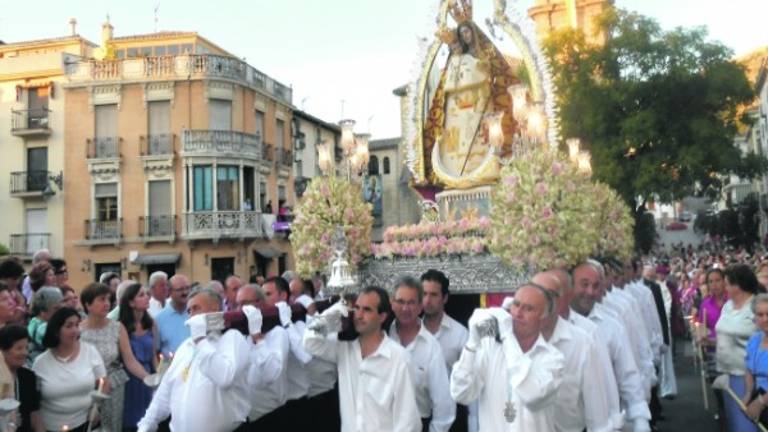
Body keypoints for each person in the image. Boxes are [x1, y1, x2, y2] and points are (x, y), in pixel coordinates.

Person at [303, 286, 422, 432]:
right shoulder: (344, 350)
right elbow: (309, 341)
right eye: (357, 308)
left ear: (382, 316)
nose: (359, 315)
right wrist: (335, 311)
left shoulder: (399, 359)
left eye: (366, 309)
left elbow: (408, 421)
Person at [451, 283, 564, 431]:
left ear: (543, 320)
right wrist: (472, 344)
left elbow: (531, 394)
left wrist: (506, 335)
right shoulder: (490, 347)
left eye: (528, 308)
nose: (518, 313)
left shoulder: (553, 359)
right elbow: (461, 394)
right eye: (516, 304)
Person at [138, 287, 252, 432]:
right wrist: (147, 424)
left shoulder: (232, 338)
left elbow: (224, 377)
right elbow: (165, 391)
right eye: (189, 311)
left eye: (196, 308)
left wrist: (200, 339)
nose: (191, 315)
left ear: (215, 308)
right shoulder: (185, 346)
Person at [531, 271, 619, 432]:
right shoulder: (510, 339)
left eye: (550, 295)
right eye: (534, 294)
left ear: (562, 300)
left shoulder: (582, 342)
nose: (541, 301)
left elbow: (597, 411)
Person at [571, 262, 652, 431]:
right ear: (569, 285)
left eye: (595, 286)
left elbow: (628, 375)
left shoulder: (611, 325)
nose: (590, 292)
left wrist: (639, 418)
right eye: (584, 285)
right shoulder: (554, 326)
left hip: (606, 422)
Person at [80, 283, 151, 432]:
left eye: (108, 299)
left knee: (112, 427)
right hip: (86, 386)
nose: (107, 303)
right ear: (88, 304)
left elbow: (130, 360)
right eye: (101, 299)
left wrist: (148, 378)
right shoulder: (79, 330)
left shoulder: (117, 327)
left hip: (114, 385)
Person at [389, 276, 455, 432]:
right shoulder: (382, 335)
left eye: (411, 302)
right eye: (401, 301)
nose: (405, 308)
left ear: (420, 307)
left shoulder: (431, 347)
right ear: (392, 303)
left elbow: (444, 405)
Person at [32, 307, 107, 432]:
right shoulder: (40, 363)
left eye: (77, 325)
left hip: (83, 424)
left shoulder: (89, 351)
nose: (75, 331)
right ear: (56, 330)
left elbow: (103, 382)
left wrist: (96, 408)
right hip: (51, 427)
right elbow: (34, 404)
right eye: (69, 326)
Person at [420, 269, 473, 432]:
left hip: (452, 419)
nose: (427, 300)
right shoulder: (408, 331)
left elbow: (469, 381)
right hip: (417, 415)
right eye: (424, 294)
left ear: (445, 298)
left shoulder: (460, 334)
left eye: (434, 295)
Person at [236, 284, 290, 430]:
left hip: (272, 417)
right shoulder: (242, 334)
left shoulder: (277, 333)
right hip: (247, 418)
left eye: (245, 303)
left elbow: (270, 374)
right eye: (238, 304)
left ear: (260, 303)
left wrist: (258, 339)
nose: (240, 309)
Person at [716, 264, 760, 432]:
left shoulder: (756, 308)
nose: (724, 288)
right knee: (733, 424)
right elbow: (726, 335)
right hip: (726, 373)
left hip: (746, 375)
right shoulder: (728, 306)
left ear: (738, 286)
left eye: (727, 284)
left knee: (745, 425)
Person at [118, 283, 158, 431]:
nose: (147, 297)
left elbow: (153, 355)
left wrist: (159, 375)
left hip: (149, 377)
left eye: (147, 294)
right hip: (131, 379)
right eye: (141, 295)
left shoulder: (151, 323)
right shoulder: (121, 326)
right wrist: (148, 378)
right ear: (130, 302)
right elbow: (129, 360)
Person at [0, 324, 44, 432]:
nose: (25, 353)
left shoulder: (28, 377)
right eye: (19, 348)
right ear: (3, 350)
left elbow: (34, 414)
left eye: (26, 348)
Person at [743, 293, 768, 425]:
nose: (765, 319)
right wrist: (748, 392)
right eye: (760, 314)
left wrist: (761, 402)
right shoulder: (754, 339)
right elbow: (749, 370)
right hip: (758, 394)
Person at [155, 275, 191, 357]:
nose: (185, 292)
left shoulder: (196, 314)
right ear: (170, 292)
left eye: (187, 288)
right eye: (180, 289)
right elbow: (156, 350)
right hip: (171, 367)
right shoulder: (159, 319)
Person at [27, 287, 64, 364]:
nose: (60, 311)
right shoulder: (42, 328)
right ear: (43, 310)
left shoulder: (34, 321)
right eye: (56, 308)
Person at [0, 258, 28, 324]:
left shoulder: (16, 293)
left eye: (19, 279)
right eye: (14, 279)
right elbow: (12, 322)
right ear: (3, 278)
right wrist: (21, 304)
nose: (17, 282)